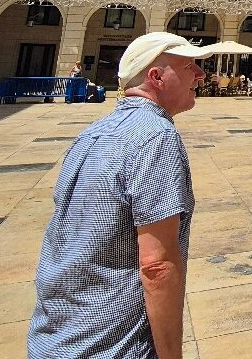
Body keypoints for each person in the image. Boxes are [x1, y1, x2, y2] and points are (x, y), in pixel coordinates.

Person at [29, 32, 206, 359]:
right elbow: (157, 266)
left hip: (53, 338)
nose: (201, 74)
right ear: (157, 77)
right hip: (112, 345)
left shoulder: (92, 133)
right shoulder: (156, 138)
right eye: (188, 67)